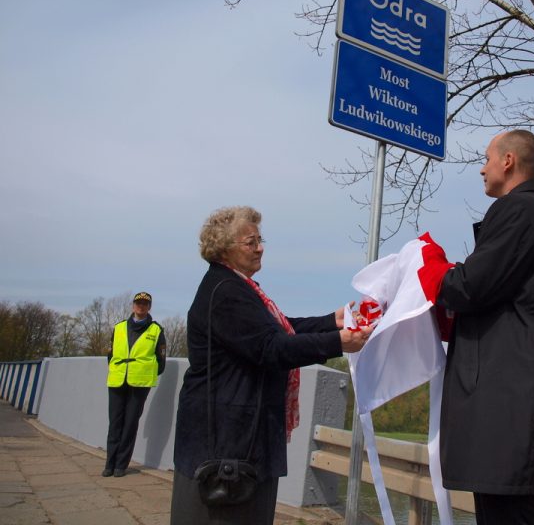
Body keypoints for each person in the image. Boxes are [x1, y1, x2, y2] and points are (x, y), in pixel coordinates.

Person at [170, 206, 371, 525]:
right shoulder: (226, 292)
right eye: (251, 242)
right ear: (225, 247)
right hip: (227, 445)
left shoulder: (235, 287)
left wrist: (332, 322)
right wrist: (338, 342)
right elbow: (271, 346)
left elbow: (279, 328)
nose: (260, 247)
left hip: (234, 440)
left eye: (260, 239)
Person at [434, 130, 534, 524]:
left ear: (509, 161)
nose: (482, 169)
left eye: (487, 159)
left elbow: (470, 286)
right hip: (516, 417)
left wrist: (433, 272)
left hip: (509, 416)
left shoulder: (519, 212)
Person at [104, 291, 166, 478]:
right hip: (117, 380)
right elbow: (111, 354)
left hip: (140, 383)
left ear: (149, 307)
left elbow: (161, 361)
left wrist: (144, 372)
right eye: (138, 303)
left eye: (145, 304)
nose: (141, 306)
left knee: (130, 424)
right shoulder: (119, 327)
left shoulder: (156, 330)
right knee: (115, 423)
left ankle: (120, 465)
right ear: (133, 306)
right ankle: (109, 463)